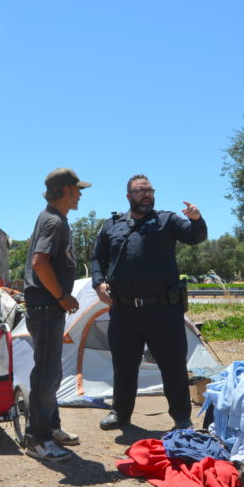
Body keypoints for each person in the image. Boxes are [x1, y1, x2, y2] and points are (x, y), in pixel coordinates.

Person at [90, 174, 207, 431]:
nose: (147, 195)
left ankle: (181, 417)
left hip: (163, 309)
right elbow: (97, 257)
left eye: (150, 191)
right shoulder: (112, 225)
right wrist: (98, 283)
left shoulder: (168, 220)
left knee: (173, 365)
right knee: (124, 365)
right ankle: (120, 414)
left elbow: (195, 237)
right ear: (129, 196)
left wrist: (196, 219)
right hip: (124, 310)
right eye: (141, 191)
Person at [21, 168, 90, 461]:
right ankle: (38, 439)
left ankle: (51, 428)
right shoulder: (53, 221)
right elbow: (39, 262)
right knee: (47, 373)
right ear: (65, 191)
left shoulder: (52, 217)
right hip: (47, 306)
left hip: (47, 307)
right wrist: (61, 296)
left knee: (52, 372)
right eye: (77, 189)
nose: (80, 194)